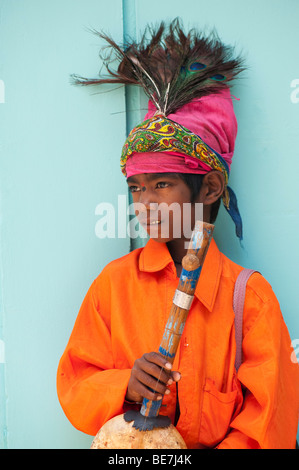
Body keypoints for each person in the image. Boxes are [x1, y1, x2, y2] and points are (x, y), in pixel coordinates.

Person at [57, 20, 299, 449]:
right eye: (136, 187)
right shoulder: (113, 287)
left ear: (208, 188)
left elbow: (266, 431)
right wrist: (125, 385)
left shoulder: (252, 302)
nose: (144, 202)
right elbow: (76, 382)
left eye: (162, 185)